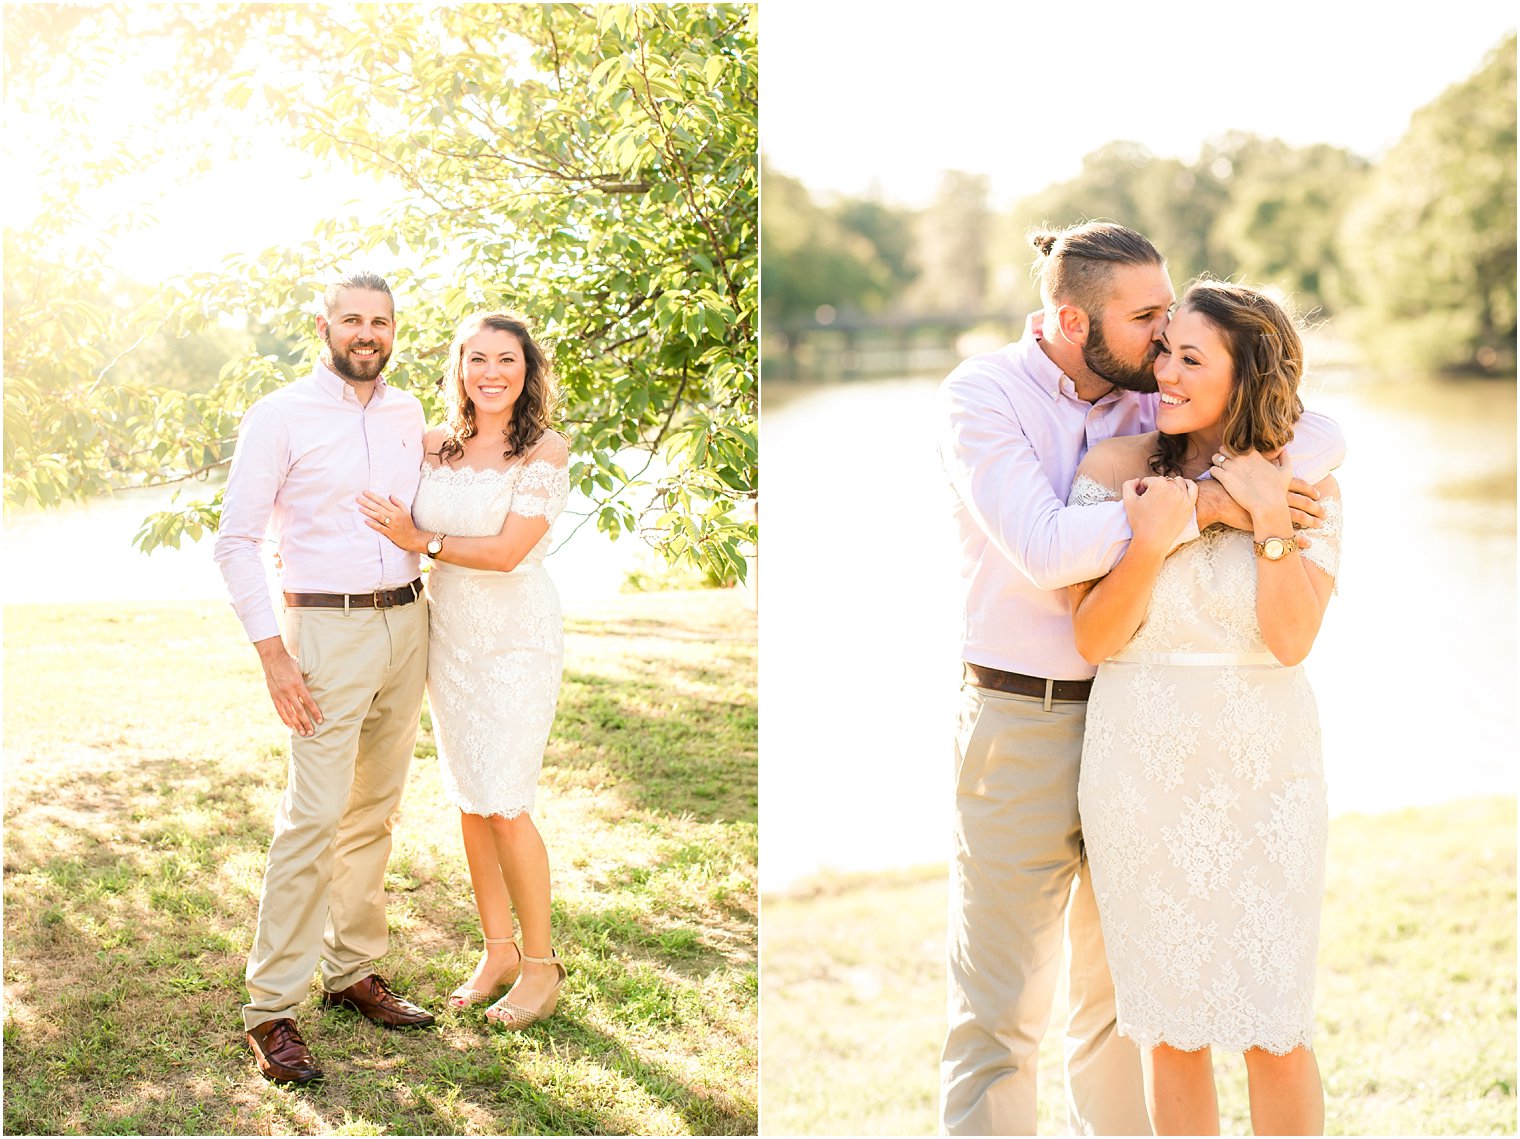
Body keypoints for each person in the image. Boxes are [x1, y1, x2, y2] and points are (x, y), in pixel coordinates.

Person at [936, 221, 1345, 1135]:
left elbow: (1314, 430)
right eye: (1150, 324)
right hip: (1033, 714)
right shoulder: (987, 396)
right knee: (1008, 1010)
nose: (1163, 351)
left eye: (1178, 336)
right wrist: (1199, 511)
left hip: (1228, 751)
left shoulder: (1153, 404)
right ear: (1076, 321)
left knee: (1136, 1011)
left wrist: (1268, 500)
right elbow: (1049, 557)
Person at [1069, 280, 1339, 1135]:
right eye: (1164, 353)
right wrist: (1157, 538)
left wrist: (1264, 518)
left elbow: (1291, 639)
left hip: (1267, 769)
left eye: (1192, 357)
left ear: (1247, 371)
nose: (1166, 373)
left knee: (1274, 1022)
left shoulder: (1305, 486)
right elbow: (1093, 638)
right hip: (1138, 769)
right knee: (1170, 1028)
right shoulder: (1112, 471)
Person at [214, 270, 436, 1088]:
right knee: (311, 818)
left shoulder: (410, 413)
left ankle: (352, 972)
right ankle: (272, 1007)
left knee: (374, 811)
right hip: (324, 630)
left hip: (407, 621)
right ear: (324, 325)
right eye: (352, 320)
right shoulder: (278, 416)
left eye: (380, 321)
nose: (367, 333)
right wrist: (275, 654)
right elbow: (236, 541)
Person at [358, 310, 571, 1031]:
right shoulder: (434, 446)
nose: (490, 372)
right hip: (448, 640)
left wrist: (422, 538)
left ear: (526, 369)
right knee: (471, 802)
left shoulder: (543, 450)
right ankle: (498, 952)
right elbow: (361, 459)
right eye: (476, 358)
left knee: (507, 802)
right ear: (458, 368)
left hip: (515, 642)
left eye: (505, 359)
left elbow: (510, 551)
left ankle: (542, 967)